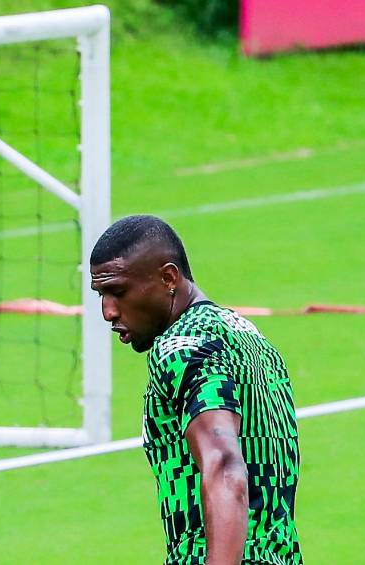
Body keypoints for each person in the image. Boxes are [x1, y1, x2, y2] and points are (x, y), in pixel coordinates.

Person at [90, 215, 302, 565]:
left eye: (119, 292)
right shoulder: (253, 339)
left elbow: (225, 469)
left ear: (168, 278)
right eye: (102, 295)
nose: (108, 312)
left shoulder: (181, 347)